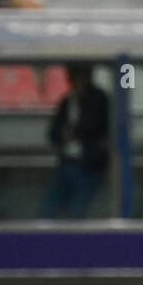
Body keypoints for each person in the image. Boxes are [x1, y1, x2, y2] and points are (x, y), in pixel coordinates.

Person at [40, 64, 109, 219]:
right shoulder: (66, 101)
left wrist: (74, 130)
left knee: (76, 213)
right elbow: (53, 133)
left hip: (89, 167)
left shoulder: (99, 98)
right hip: (67, 163)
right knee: (47, 209)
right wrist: (63, 135)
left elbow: (95, 125)